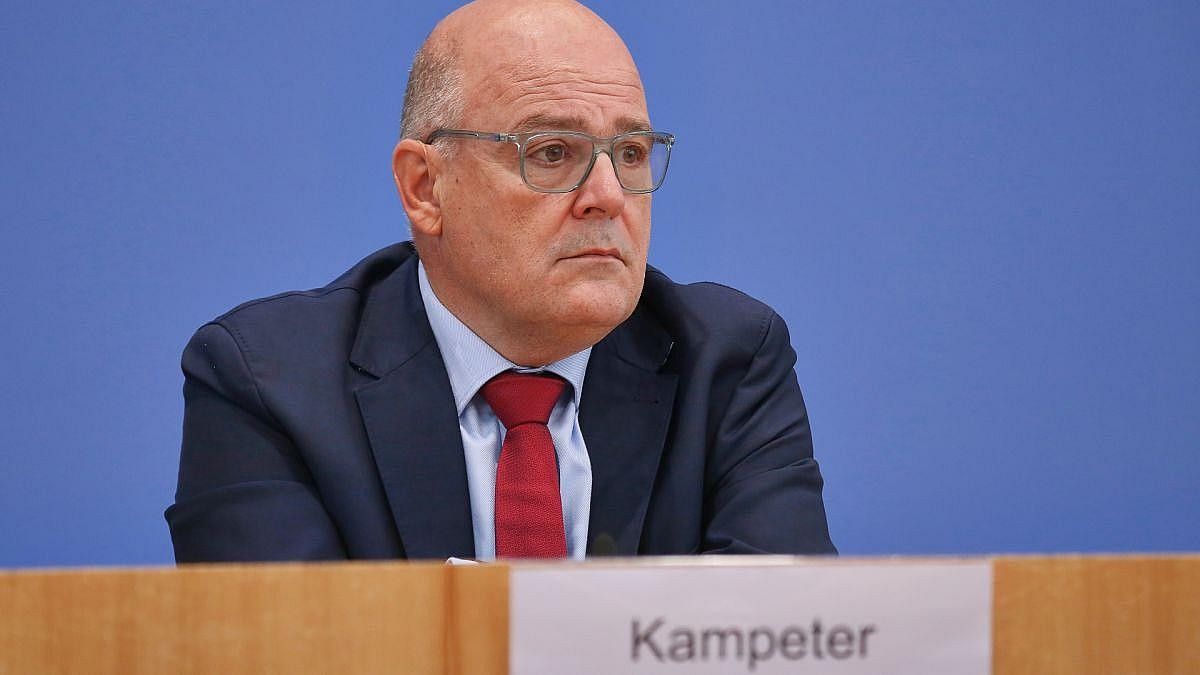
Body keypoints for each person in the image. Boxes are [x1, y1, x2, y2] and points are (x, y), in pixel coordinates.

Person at [166, 0, 835, 562]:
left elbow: (782, 639)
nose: (608, 195)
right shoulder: (270, 382)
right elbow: (280, 648)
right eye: (552, 152)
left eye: (631, 152)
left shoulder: (726, 364)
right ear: (425, 187)